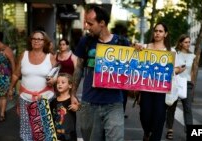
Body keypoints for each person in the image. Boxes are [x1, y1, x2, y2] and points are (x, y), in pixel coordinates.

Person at [71, 5, 129, 141]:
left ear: (102, 23)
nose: (86, 27)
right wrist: (72, 94)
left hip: (114, 103)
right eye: (86, 23)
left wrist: (139, 51)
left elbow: (133, 69)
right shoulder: (85, 42)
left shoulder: (122, 42)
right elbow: (79, 68)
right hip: (89, 103)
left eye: (90, 23)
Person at [134, 22, 184, 141]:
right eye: (156, 30)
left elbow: (177, 68)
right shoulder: (144, 47)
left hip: (162, 91)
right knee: (145, 115)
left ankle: (154, 138)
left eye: (160, 31)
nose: (157, 33)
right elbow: (133, 62)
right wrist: (134, 45)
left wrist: (173, 70)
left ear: (165, 34)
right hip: (146, 89)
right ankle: (147, 133)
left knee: (159, 118)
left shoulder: (170, 51)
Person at [7, 30, 56, 140]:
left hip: (45, 98)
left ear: (45, 42)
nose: (36, 41)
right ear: (30, 41)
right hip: (25, 98)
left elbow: (56, 75)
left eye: (39, 39)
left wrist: (54, 80)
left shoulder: (50, 57)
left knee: (44, 129)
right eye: (34, 38)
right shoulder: (23, 55)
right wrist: (10, 88)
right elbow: (15, 74)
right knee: (26, 129)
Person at [165, 34, 195, 140]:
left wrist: (192, 83)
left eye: (189, 42)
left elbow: (192, 71)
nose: (188, 44)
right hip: (175, 82)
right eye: (186, 42)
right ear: (181, 43)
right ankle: (170, 130)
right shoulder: (175, 53)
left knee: (188, 109)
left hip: (187, 84)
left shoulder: (192, 55)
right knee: (171, 107)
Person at [50, 73, 80, 141]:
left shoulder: (72, 100)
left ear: (70, 85)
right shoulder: (53, 102)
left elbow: (78, 106)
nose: (59, 84)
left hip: (70, 136)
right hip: (57, 136)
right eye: (58, 83)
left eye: (63, 82)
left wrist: (77, 107)